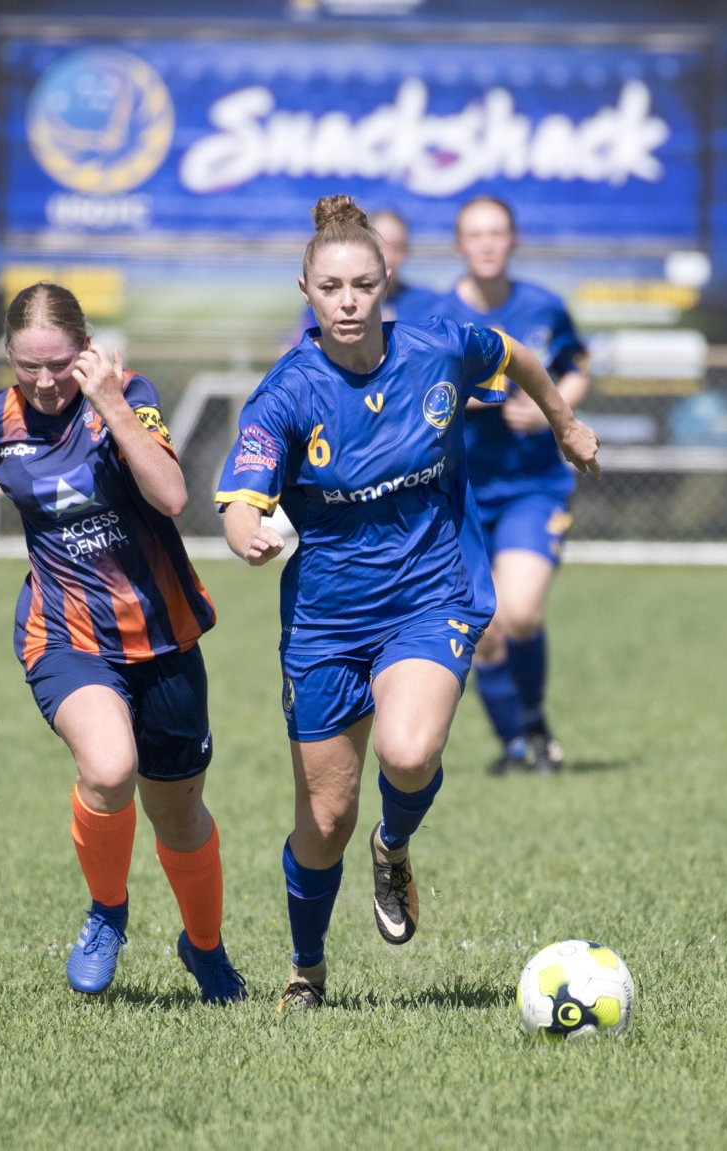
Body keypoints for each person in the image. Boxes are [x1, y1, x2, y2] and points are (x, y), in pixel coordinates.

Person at [216, 195, 600, 1011]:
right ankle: (307, 970)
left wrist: (564, 424)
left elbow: (522, 357)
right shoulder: (285, 394)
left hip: (432, 593)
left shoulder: (439, 344)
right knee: (324, 817)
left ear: (387, 281)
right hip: (325, 621)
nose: (348, 301)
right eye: (331, 287)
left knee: (409, 748)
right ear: (306, 291)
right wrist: (243, 527)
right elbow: (239, 496)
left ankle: (394, 845)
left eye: (363, 283)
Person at [0, 282, 246, 1005]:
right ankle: (107, 911)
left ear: (87, 349)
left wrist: (113, 404)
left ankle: (204, 948)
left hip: (164, 635)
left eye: (61, 363)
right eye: (29, 367)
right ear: (9, 358)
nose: (48, 381)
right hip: (65, 635)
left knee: (178, 813)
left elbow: (173, 495)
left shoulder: (130, 395)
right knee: (110, 766)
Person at [431, 196, 591, 776]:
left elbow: (575, 366)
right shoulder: (436, 314)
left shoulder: (544, 306)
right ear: (459, 245)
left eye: (498, 232)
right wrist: (490, 397)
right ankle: (519, 744)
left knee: (518, 612)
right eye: (475, 234)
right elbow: (418, 391)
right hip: (459, 495)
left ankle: (533, 723)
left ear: (514, 239)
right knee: (483, 625)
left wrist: (553, 409)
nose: (487, 243)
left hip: (531, 486)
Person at [285, 208, 439, 347]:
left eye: (398, 248)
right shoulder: (325, 302)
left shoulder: (426, 302)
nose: (390, 256)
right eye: (382, 246)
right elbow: (295, 348)